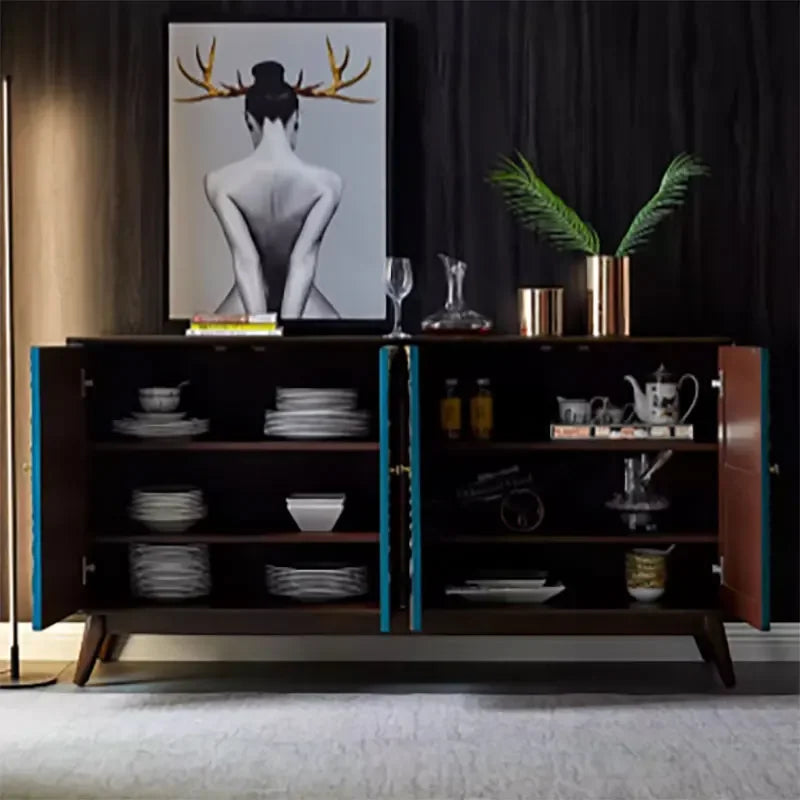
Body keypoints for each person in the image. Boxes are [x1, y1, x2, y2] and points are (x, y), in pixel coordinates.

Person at [175, 39, 374, 318]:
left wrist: (263, 337)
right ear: (297, 119)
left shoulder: (219, 183)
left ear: (248, 121)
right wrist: (288, 337)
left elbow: (247, 261)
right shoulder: (327, 185)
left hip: (243, 307)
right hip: (308, 310)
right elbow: (301, 261)